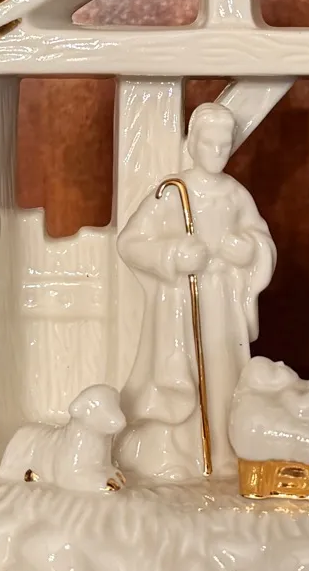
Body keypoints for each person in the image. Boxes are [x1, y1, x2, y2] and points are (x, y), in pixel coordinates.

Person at [116, 103, 276, 480]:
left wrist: (248, 249)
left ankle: (221, 451)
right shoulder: (173, 193)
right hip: (180, 304)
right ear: (193, 144)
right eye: (209, 144)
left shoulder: (235, 195)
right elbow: (130, 243)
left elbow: (261, 239)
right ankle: (177, 453)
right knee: (181, 372)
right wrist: (173, 254)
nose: (217, 153)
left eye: (224, 145)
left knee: (222, 374)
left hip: (222, 302)